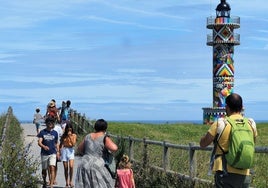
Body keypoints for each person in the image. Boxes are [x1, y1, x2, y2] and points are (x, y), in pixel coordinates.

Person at [200, 93, 257, 188]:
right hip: (245, 173)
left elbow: (203, 143)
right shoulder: (251, 124)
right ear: (241, 107)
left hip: (224, 172)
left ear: (226, 107)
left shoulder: (221, 123)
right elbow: (253, 143)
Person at [75, 119, 118, 188]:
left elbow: (79, 148)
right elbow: (114, 148)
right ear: (105, 128)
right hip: (97, 163)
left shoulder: (88, 136)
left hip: (84, 162)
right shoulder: (104, 137)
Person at [37, 117, 60, 188]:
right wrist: (44, 146)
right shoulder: (42, 132)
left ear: (53, 124)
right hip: (44, 153)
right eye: (49, 122)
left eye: (52, 122)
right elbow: (39, 142)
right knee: (44, 170)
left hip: (52, 153)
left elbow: (56, 143)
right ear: (46, 123)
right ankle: (44, 181)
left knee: (52, 167)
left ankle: (51, 185)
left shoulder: (55, 133)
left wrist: (58, 152)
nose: (50, 123)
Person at [60, 122, 77, 188]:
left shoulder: (74, 135)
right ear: (66, 129)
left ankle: (71, 181)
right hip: (64, 150)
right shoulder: (63, 135)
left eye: (70, 130)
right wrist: (59, 151)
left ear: (72, 129)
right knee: (66, 168)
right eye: (68, 129)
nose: (69, 131)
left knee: (71, 166)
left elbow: (73, 144)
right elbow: (61, 144)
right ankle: (66, 182)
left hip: (71, 150)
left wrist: (70, 136)